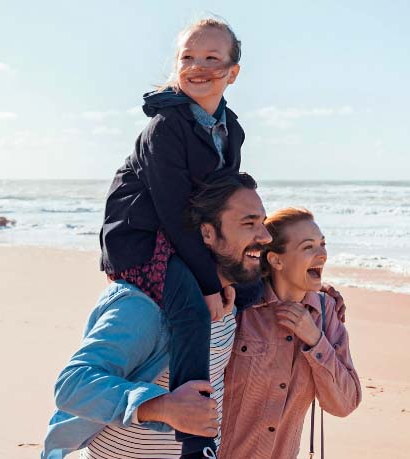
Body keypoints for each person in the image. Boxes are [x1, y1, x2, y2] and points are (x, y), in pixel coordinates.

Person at [43, 173, 272, 459]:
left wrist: (319, 299)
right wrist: (162, 407)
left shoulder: (232, 301)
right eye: (249, 223)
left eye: (263, 223)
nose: (265, 236)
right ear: (207, 233)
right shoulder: (146, 305)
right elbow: (73, 385)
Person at [99, 17, 244, 459]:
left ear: (232, 72)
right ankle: (195, 437)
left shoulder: (231, 130)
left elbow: (225, 202)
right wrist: (207, 283)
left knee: (254, 284)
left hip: (183, 233)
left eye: (211, 58)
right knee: (193, 312)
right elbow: (170, 211)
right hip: (141, 238)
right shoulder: (165, 126)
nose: (197, 67)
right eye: (188, 58)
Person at [219, 208, 362, 459]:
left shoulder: (327, 313)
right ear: (276, 260)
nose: (323, 254)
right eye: (309, 247)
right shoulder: (237, 306)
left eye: (323, 244)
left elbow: (344, 403)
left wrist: (316, 341)